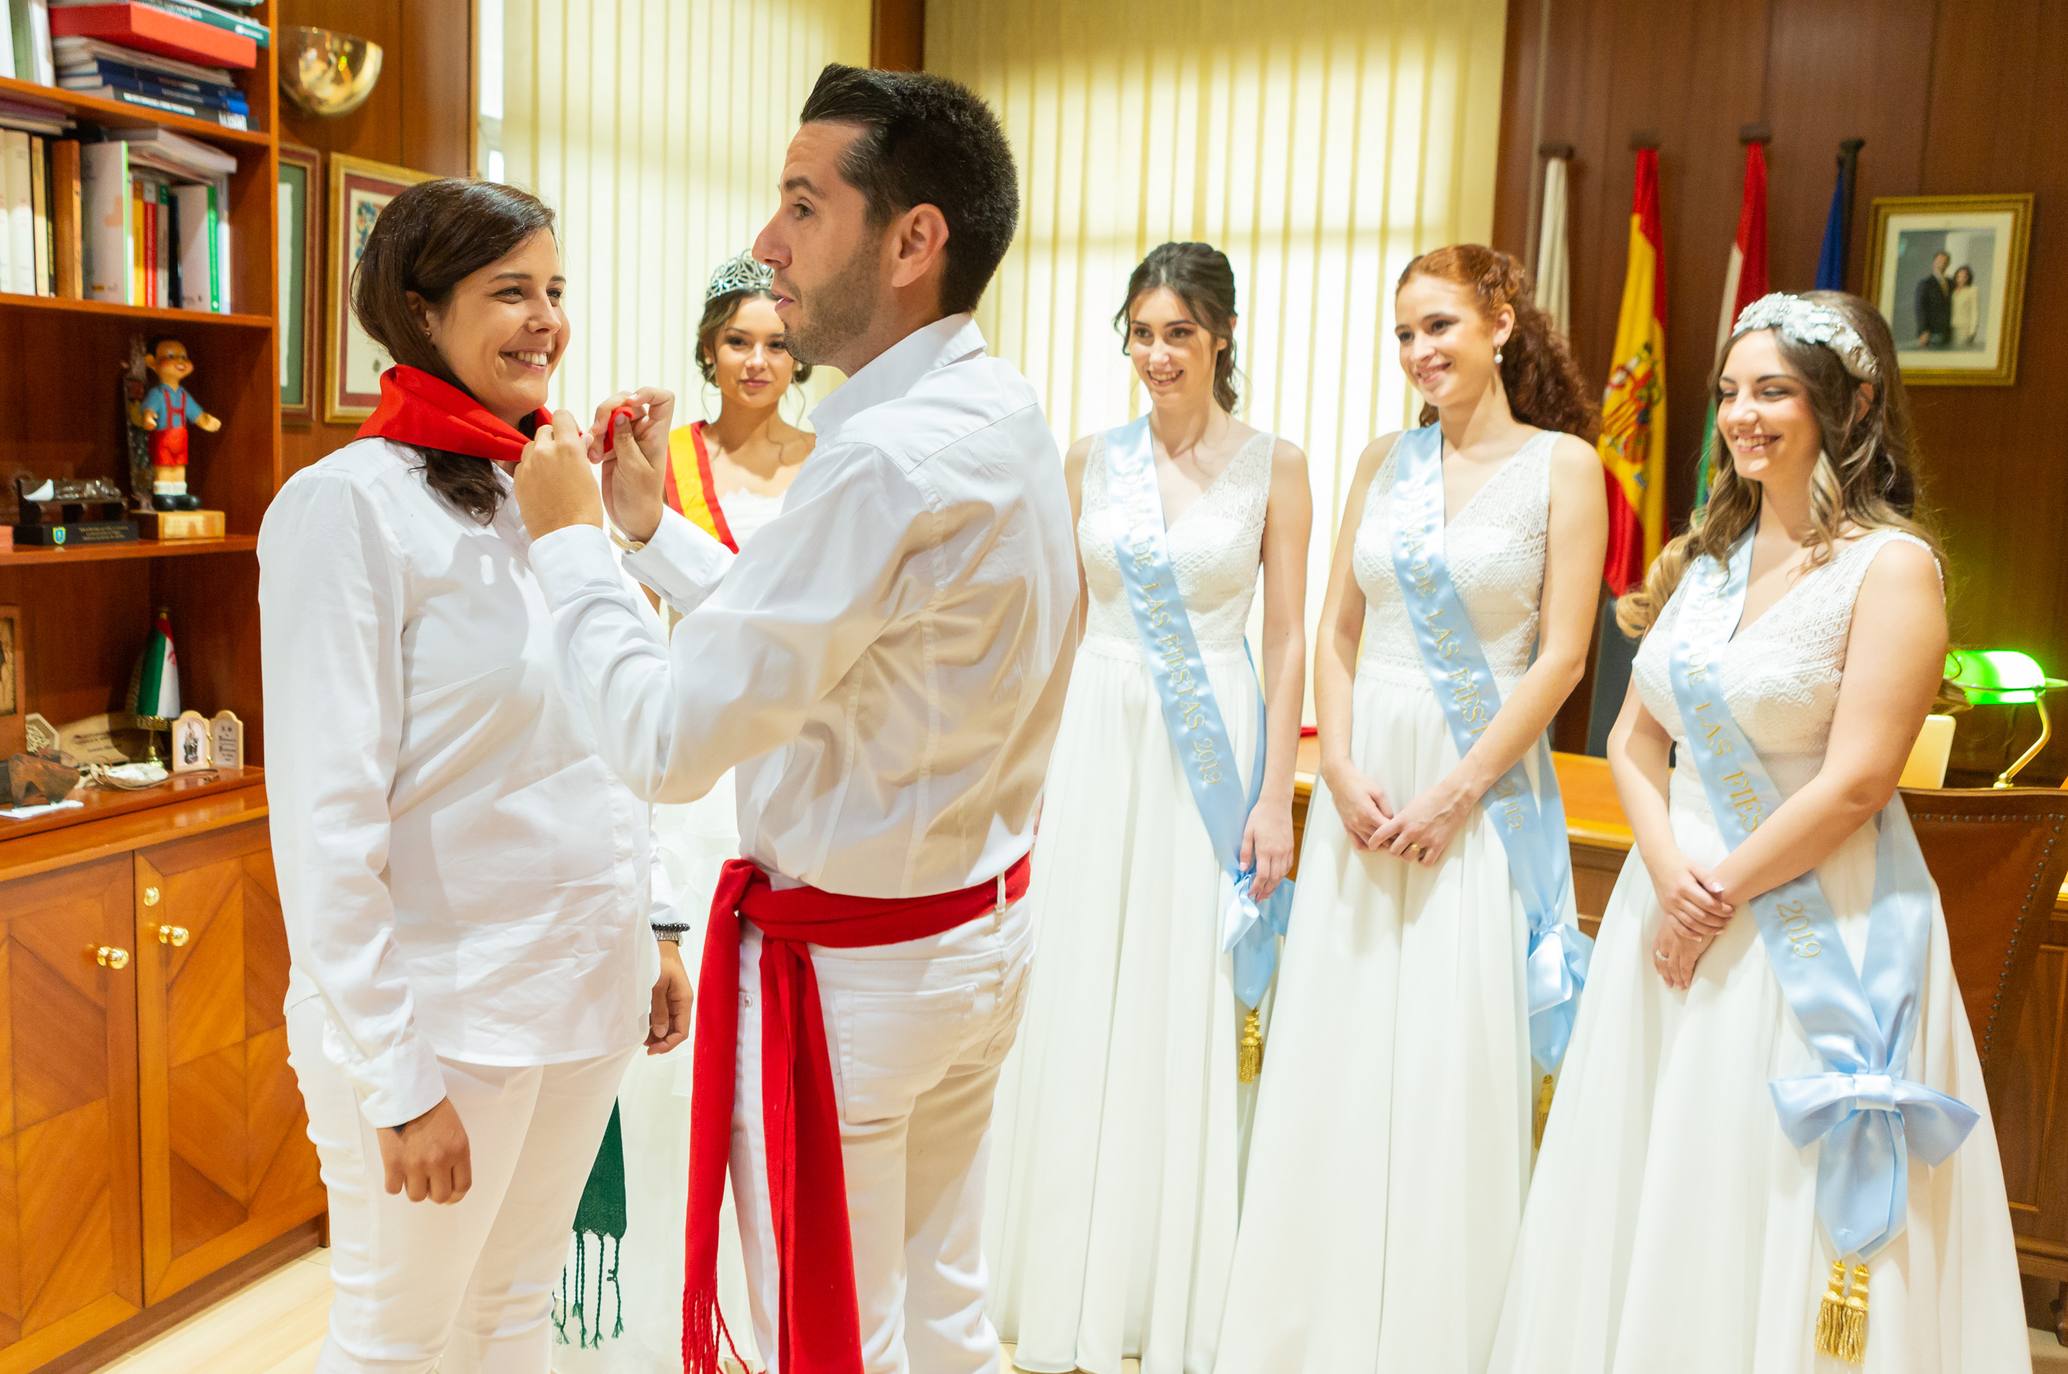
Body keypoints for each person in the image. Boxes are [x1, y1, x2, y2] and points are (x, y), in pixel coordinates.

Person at [513, 64, 1078, 1374]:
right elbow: (840, 647)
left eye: (803, 205)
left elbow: (664, 740)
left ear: (913, 240)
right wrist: (652, 536)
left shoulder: (877, 459)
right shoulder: (992, 409)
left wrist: (574, 549)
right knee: (945, 1314)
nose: (767, 244)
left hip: (859, 980)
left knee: (825, 1338)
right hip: (973, 934)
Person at [1490, 291, 2028, 1372]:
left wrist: (1717, 889)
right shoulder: (1701, 559)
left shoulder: (1893, 566)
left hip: (1814, 913)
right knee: (1664, 1166)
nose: (1742, 415)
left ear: (1852, 402)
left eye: (1772, 391)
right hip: (1676, 897)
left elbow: (1860, 780)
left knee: (1761, 1180)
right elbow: (1635, 741)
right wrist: (1669, 879)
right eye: (1730, 392)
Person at [259, 179, 702, 1373]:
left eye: (554, 291)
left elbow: (609, 735)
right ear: (419, 313)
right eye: (510, 291)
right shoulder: (345, 506)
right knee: (397, 1339)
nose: (545, 320)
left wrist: (653, 921)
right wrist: (395, 1077)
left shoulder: (544, 489)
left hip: (580, 988)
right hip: (440, 1014)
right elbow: (322, 818)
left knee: (510, 1312)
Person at [1214, 244, 1605, 1371]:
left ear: (1500, 321)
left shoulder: (1562, 467)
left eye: (1439, 326)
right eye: (1403, 335)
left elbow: (1564, 656)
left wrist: (1459, 789)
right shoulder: (1386, 457)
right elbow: (1334, 629)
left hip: (1471, 783)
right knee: (1337, 1042)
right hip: (1365, 777)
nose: (1420, 352)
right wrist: (1332, 766)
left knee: (1447, 1049)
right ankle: (1308, 1324)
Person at [984, 242, 1311, 1374]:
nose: (1156, 354)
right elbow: (1061, 626)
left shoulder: (1277, 466)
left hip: (1205, 742)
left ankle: (1157, 1291)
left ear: (1219, 335)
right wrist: (1024, 772)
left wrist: (1273, 795)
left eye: (1177, 332)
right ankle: (1047, 1273)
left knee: (1179, 992)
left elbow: (1283, 637)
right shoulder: (1090, 459)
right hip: (1096, 733)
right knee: (1073, 983)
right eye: (1138, 332)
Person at [561, 249, 814, 1374]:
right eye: (736, 340)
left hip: (794, 772)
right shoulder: (655, 464)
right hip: (681, 768)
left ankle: (764, 1320)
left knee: (771, 1073)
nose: (756, 361)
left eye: (774, 341)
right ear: (706, 349)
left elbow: (800, 621)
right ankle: (650, 1317)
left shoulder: (833, 467)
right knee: (668, 1057)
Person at [1913, 249, 1952, 347]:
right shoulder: (1925, 284)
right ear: (1934, 263)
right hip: (1931, 333)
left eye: (1945, 262)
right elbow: (1920, 308)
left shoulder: (1951, 283)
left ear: (1948, 264)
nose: (1942, 264)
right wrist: (1923, 330)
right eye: (1939, 261)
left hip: (1948, 332)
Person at [1949, 263, 1980, 348]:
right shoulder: (1953, 291)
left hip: (1964, 329)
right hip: (1950, 327)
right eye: (1959, 276)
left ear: (1968, 278)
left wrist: (1973, 331)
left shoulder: (1972, 290)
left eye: (1964, 276)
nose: (1961, 279)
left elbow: (1975, 311)